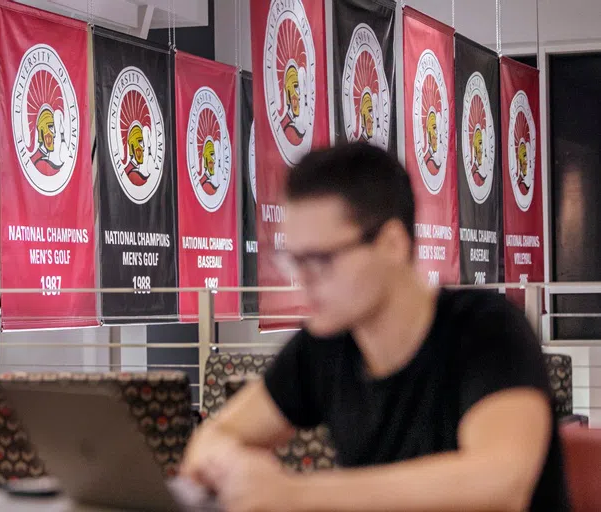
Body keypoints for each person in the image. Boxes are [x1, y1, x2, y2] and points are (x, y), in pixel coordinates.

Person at [181, 143, 569, 512]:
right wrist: (234, 472)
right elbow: (216, 435)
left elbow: (500, 485)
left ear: (392, 245)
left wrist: (297, 493)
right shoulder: (325, 344)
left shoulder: (487, 328)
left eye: (321, 259)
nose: (302, 281)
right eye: (293, 260)